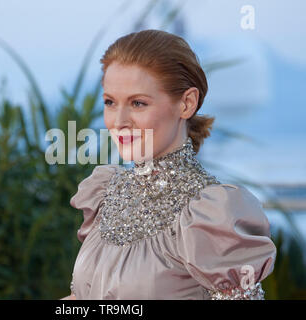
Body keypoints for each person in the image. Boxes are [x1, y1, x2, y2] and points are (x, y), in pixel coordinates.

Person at [61, 29, 276, 300]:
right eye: (110, 102)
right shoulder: (105, 194)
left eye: (138, 103)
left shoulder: (212, 214)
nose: (119, 121)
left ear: (187, 104)